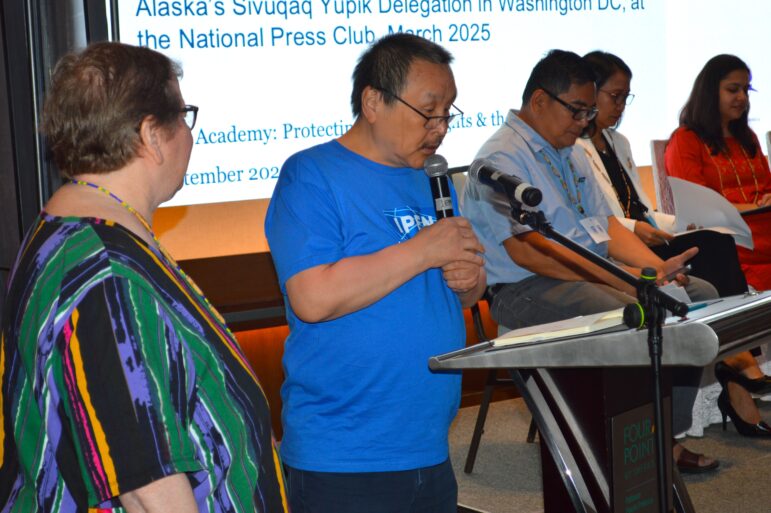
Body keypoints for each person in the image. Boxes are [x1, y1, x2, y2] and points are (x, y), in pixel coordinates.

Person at [0, 43, 288, 512]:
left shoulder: (75, 225)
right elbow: (146, 488)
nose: (189, 135)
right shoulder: (105, 276)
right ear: (151, 135)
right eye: (184, 116)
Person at [461, 49, 720, 472]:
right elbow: (531, 253)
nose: (584, 122)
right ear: (540, 100)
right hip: (524, 287)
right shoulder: (501, 159)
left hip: (593, 274)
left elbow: (609, 227)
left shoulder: (573, 149)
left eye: (589, 112)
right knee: (630, 313)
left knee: (698, 295)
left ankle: (664, 436)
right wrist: (628, 280)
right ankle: (640, 445)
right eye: (577, 110)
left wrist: (655, 271)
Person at [264, 33, 486, 512]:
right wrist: (423, 250)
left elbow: (461, 292)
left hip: (429, 444)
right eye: (428, 111)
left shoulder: (433, 180)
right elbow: (313, 298)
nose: (440, 127)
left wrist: (470, 283)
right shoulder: (311, 175)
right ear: (372, 102)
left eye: (448, 113)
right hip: (344, 458)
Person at [578, 50, 771, 439]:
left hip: (650, 236)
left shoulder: (619, 142)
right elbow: (595, 219)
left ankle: (735, 365)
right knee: (717, 246)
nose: (621, 106)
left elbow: (643, 208)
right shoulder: (573, 148)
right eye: (614, 96)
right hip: (620, 246)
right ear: (589, 92)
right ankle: (736, 358)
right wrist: (638, 228)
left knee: (711, 239)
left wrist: (677, 225)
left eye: (626, 97)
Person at [665, 54, 771, 437]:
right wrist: (747, 207)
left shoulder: (747, 138)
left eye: (746, 89)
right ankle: (739, 373)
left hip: (763, 229)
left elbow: (765, 186)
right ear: (710, 91)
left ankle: (738, 377)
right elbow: (697, 205)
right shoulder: (686, 140)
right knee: (723, 259)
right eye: (732, 89)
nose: (742, 97)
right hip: (727, 240)